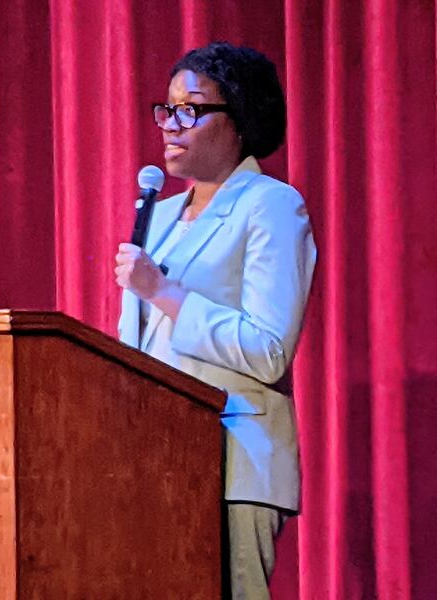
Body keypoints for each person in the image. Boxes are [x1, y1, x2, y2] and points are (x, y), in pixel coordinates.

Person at [114, 42, 316, 599]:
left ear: (241, 121)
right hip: (152, 461)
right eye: (167, 108)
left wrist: (166, 293)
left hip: (233, 463)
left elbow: (269, 348)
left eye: (192, 109)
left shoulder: (271, 205)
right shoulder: (162, 214)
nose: (171, 124)